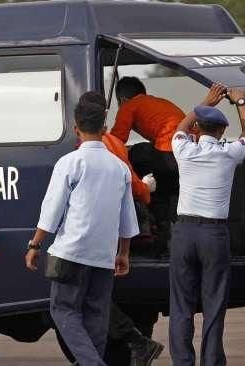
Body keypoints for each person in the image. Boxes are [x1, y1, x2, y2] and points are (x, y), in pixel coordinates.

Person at [24, 96, 139, 366]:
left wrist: (35, 245)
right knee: (96, 316)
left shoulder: (70, 162)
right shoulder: (120, 167)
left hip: (71, 253)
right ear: (105, 128)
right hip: (103, 256)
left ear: (76, 129)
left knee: (62, 309)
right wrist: (123, 253)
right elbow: (127, 219)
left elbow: (52, 209)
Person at [78, 91, 164, 365]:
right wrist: (147, 191)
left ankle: (134, 341)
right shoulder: (114, 143)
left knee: (88, 293)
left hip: (99, 228)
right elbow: (133, 187)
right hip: (119, 226)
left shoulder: (81, 153)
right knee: (97, 292)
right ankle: (130, 343)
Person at [169, 83, 245, 365]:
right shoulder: (229, 153)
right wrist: (241, 104)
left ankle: (182, 361)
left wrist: (206, 102)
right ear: (220, 131)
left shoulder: (183, 149)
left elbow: (181, 126)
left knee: (181, 304)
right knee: (214, 304)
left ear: (197, 130)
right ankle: (212, 361)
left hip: (183, 232)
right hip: (213, 234)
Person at [110, 76, 185, 196]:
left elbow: (116, 140)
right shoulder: (158, 102)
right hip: (186, 151)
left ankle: (141, 196)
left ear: (122, 100)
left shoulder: (129, 105)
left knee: (135, 153)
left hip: (169, 154)